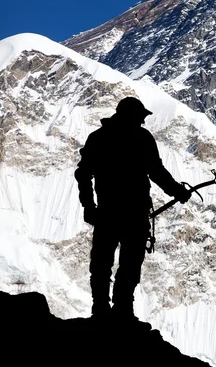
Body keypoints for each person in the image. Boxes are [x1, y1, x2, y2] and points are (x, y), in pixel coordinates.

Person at [75, 96, 190, 321]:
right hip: (135, 213)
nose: (142, 122)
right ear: (132, 116)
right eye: (140, 117)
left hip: (107, 212)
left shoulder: (98, 138)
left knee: (102, 262)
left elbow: (83, 174)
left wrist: (89, 205)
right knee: (130, 263)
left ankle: (101, 308)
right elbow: (156, 172)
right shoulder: (141, 138)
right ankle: (122, 310)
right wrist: (177, 191)